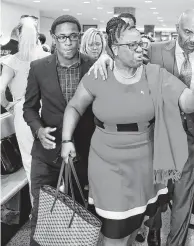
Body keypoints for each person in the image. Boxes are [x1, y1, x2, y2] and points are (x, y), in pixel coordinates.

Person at [61, 16, 194, 246]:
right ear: (114, 49)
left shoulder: (153, 74)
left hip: (144, 166)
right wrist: (66, 140)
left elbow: (186, 103)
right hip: (107, 164)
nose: (139, 49)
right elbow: (74, 106)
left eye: (140, 44)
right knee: (114, 232)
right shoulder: (99, 75)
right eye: (132, 45)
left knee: (134, 224)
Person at [23, 15, 95, 246]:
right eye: (63, 37)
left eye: (74, 36)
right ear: (54, 39)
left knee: (77, 213)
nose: (68, 42)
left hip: (82, 153)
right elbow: (29, 108)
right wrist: (38, 130)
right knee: (42, 213)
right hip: (46, 153)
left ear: (79, 37)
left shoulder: (93, 66)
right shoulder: (38, 68)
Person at [0, 18, 49, 195]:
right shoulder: (46, 57)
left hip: (23, 111)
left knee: (30, 162)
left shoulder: (11, 61)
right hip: (48, 110)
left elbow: (0, 89)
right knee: (51, 160)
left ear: (18, 36)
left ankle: (37, 207)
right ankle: (54, 207)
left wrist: (9, 106)